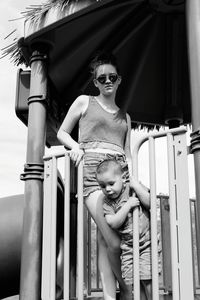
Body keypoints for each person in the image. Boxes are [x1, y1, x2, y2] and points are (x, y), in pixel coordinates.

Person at [57, 52, 132, 300]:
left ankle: (111, 296)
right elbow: (62, 133)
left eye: (112, 77)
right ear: (96, 82)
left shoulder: (126, 118)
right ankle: (129, 290)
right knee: (113, 242)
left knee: (105, 240)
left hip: (120, 177)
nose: (107, 81)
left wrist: (133, 183)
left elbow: (128, 154)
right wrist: (76, 147)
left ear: (119, 80)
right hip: (92, 176)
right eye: (102, 78)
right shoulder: (84, 102)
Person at [96, 158, 161, 300]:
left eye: (111, 183)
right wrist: (128, 206)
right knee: (133, 282)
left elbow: (151, 203)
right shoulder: (107, 203)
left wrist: (137, 187)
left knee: (147, 279)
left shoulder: (132, 189)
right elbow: (113, 222)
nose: (107, 189)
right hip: (128, 248)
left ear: (123, 178)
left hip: (146, 244)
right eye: (102, 186)